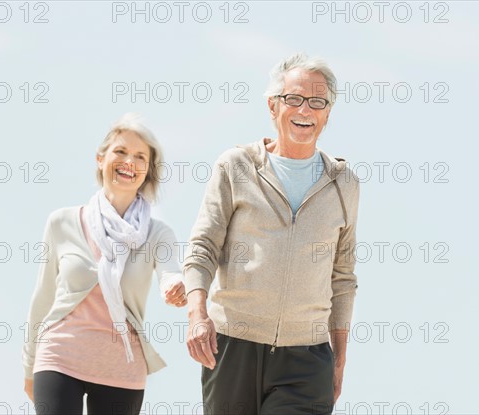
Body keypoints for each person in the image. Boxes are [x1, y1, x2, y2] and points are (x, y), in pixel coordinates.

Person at [183, 53, 360, 415]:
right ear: (272, 105)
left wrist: (339, 357)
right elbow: (203, 247)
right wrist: (197, 316)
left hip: (307, 357)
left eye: (317, 102)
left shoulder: (344, 183)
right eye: (294, 99)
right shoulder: (236, 166)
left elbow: (342, 276)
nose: (305, 110)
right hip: (233, 345)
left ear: (328, 113)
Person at [22, 113, 187, 415]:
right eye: (121, 152)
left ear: (148, 171)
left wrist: (175, 285)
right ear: (100, 159)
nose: (130, 162)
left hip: (121, 366)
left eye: (140, 157)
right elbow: (43, 296)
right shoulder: (62, 222)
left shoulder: (157, 233)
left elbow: (171, 272)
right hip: (59, 356)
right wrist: (29, 364)